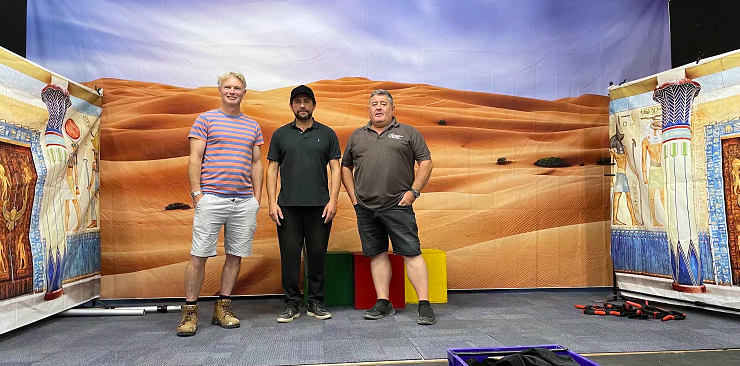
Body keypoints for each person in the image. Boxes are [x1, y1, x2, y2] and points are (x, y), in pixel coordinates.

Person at [177, 71, 264, 337]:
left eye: (237, 88)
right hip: (212, 198)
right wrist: (197, 194)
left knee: (235, 256)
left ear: (244, 93)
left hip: (244, 201)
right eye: (228, 87)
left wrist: (257, 198)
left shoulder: (252, 125)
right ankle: (190, 312)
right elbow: (195, 157)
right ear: (219, 90)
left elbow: (256, 162)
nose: (232, 91)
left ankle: (222, 307)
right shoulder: (205, 120)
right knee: (198, 256)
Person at [341, 89, 436, 325]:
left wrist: (414, 192)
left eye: (384, 103)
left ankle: (424, 305)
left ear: (393, 109)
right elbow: (345, 166)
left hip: (398, 205)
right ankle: (383, 302)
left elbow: (426, 162)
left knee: (411, 253)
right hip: (365, 207)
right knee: (377, 254)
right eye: (374, 104)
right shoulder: (357, 136)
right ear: (369, 109)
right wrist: (353, 196)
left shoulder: (408, 133)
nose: (379, 107)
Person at [266, 85, 341, 323]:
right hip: (286, 206)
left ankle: (316, 302)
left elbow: (336, 168)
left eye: (307, 102)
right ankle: (290, 305)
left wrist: (333, 199)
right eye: (297, 102)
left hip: (320, 206)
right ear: (291, 106)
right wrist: (271, 202)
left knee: (317, 256)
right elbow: (272, 169)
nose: (302, 106)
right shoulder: (280, 134)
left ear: (314, 105)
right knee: (289, 257)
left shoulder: (327, 133)